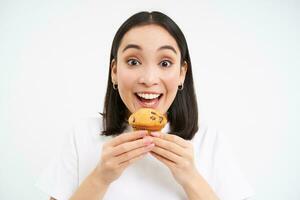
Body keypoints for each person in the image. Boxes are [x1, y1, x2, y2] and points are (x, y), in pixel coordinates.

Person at [36, 11, 254, 200]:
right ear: (114, 71)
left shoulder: (209, 140)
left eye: (165, 63)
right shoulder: (81, 136)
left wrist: (190, 177)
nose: (149, 78)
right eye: (133, 61)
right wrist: (101, 176)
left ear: (181, 73)